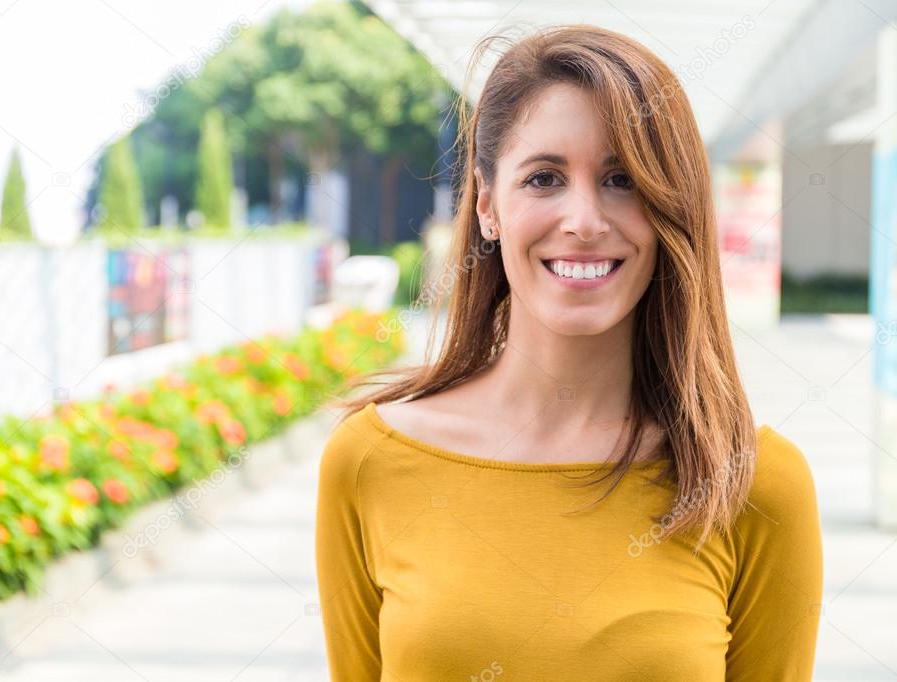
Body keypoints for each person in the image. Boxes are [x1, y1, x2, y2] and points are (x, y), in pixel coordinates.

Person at [314, 24, 822, 681]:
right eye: (544, 178)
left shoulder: (753, 483)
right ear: (488, 203)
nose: (583, 220)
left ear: (674, 206)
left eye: (621, 179)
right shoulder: (369, 461)